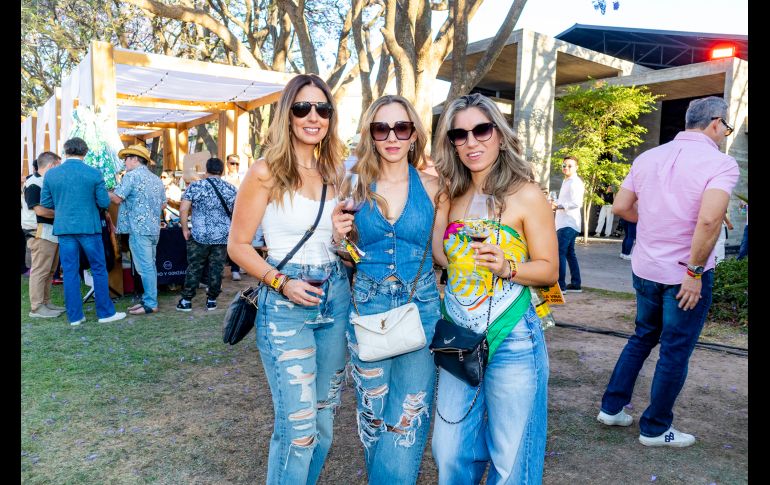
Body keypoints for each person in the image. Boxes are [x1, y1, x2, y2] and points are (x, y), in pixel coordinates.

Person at [227, 73, 349, 484]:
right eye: (303, 108)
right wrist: (281, 282)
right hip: (286, 302)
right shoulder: (266, 171)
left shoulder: (335, 172)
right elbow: (239, 246)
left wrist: (339, 237)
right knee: (298, 430)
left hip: (336, 296)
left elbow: (342, 246)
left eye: (322, 109)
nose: (313, 117)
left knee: (323, 424)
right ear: (287, 115)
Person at [597, 96, 739, 448]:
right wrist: (693, 271)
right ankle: (656, 428)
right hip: (684, 274)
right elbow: (707, 219)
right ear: (716, 123)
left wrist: (659, 220)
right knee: (675, 349)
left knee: (643, 336)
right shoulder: (720, 163)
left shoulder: (648, 157)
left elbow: (621, 207)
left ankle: (612, 408)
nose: (725, 134)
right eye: (727, 128)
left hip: (645, 266)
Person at [430, 93, 557, 484]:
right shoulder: (451, 195)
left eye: (481, 130)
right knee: (449, 449)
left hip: (514, 337)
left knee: (512, 458)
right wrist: (440, 206)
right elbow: (440, 256)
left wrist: (508, 266)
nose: (472, 142)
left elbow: (549, 270)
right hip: (460, 336)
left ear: (499, 135)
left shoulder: (526, 194)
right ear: (451, 141)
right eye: (460, 134)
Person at [331, 95, 448, 484]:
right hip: (367, 308)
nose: (392, 137)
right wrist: (340, 240)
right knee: (373, 415)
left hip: (422, 309)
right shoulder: (354, 184)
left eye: (402, 127)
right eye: (382, 128)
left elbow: (440, 255)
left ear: (414, 133)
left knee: (407, 419)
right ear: (371, 134)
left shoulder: (435, 187)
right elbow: (350, 257)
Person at [40, 137, 126, 326]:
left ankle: (75, 317)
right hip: (89, 227)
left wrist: (65, 205)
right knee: (98, 269)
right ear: (85, 152)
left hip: (64, 229)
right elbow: (104, 203)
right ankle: (105, 313)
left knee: (70, 272)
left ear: (65, 151)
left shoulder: (52, 175)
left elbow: (45, 203)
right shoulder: (94, 173)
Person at [109, 144, 166, 315]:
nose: (124, 162)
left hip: (139, 229)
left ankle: (150, 303)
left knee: (145, 268)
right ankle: (149, 299)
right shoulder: (156, 179)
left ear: (134, 159)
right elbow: (163, 204)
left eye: (126, 159)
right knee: (150, 266)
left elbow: (117, 199)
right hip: (153, 229)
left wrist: (103, 192)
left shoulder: (131, 176)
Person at [176, 157, 237, 312]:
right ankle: (211, 300)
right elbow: (237, 213)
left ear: (206, 170)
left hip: (199, 235)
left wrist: (184, 229)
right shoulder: (231, 189)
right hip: (222, 236)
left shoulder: (195, 186)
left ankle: (187, 301)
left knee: (195, 266)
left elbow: (183, 209)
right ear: (222, 171)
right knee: (217, 267)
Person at [24, 151, 65, 318]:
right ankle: (36, 307)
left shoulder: (43, 181)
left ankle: (45, 302)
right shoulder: (33, 183)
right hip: (39, 232)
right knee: (41, 270)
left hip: (49, 232)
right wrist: (63, 212)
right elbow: (40, 210)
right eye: (58, 166)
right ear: (51, 166)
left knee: (49, 270)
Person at [552, 155, 584, 293]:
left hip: (568, 223)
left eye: (570, 165)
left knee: (560, 253)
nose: (566, 168)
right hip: (566, 223)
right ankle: (576, 284)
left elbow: (577, 203)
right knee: (570, 253)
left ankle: (561, 285)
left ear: (576, 167)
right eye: (564, 165)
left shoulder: (574, 182)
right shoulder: (567, 181)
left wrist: (558, 206)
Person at [223, 153, 243, 281]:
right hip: (225, 215)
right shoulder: (222, 179)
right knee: (224, 243)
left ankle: (236, 269)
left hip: (240, 213)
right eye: (232, 163)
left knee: (237, 241)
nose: (235, 166)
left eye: (237, 163)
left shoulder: (243, 178)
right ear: (227, 164)